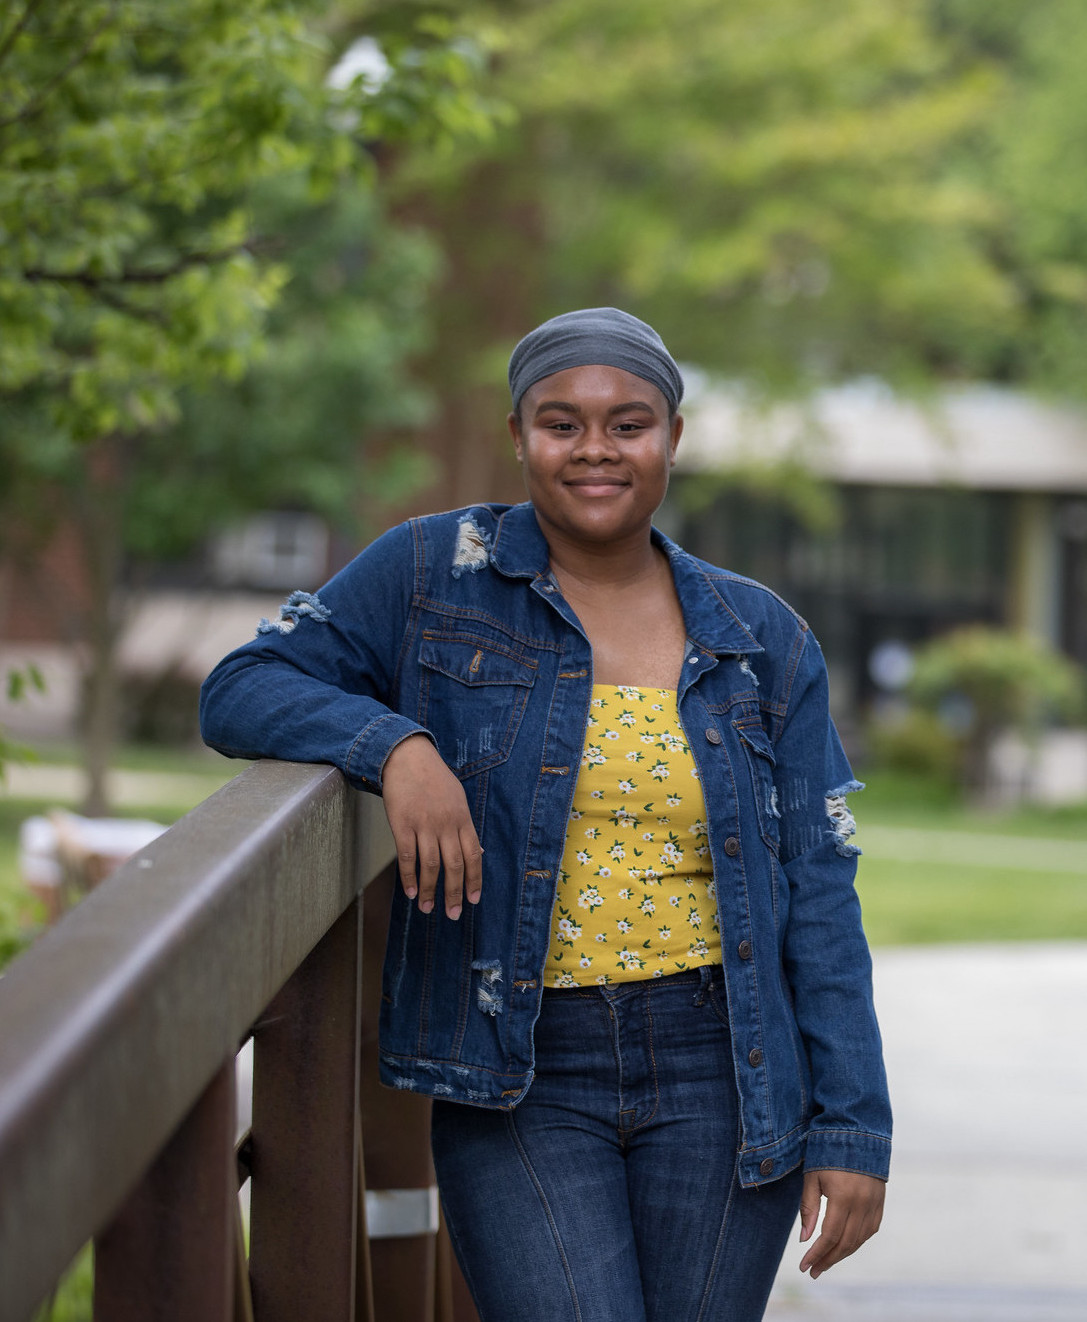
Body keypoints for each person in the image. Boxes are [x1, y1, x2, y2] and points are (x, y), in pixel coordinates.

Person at [200, 307, 890, 1322]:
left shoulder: (761, 638)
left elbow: (821, 894)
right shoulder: (436, 573)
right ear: (518, 434)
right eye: (562, 422)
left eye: (629, 422)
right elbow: (244, 684)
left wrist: (852, 1128)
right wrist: (394, 744)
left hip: (724, 1067)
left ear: (672, 438)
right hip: (518, 1063)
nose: (596, 449)